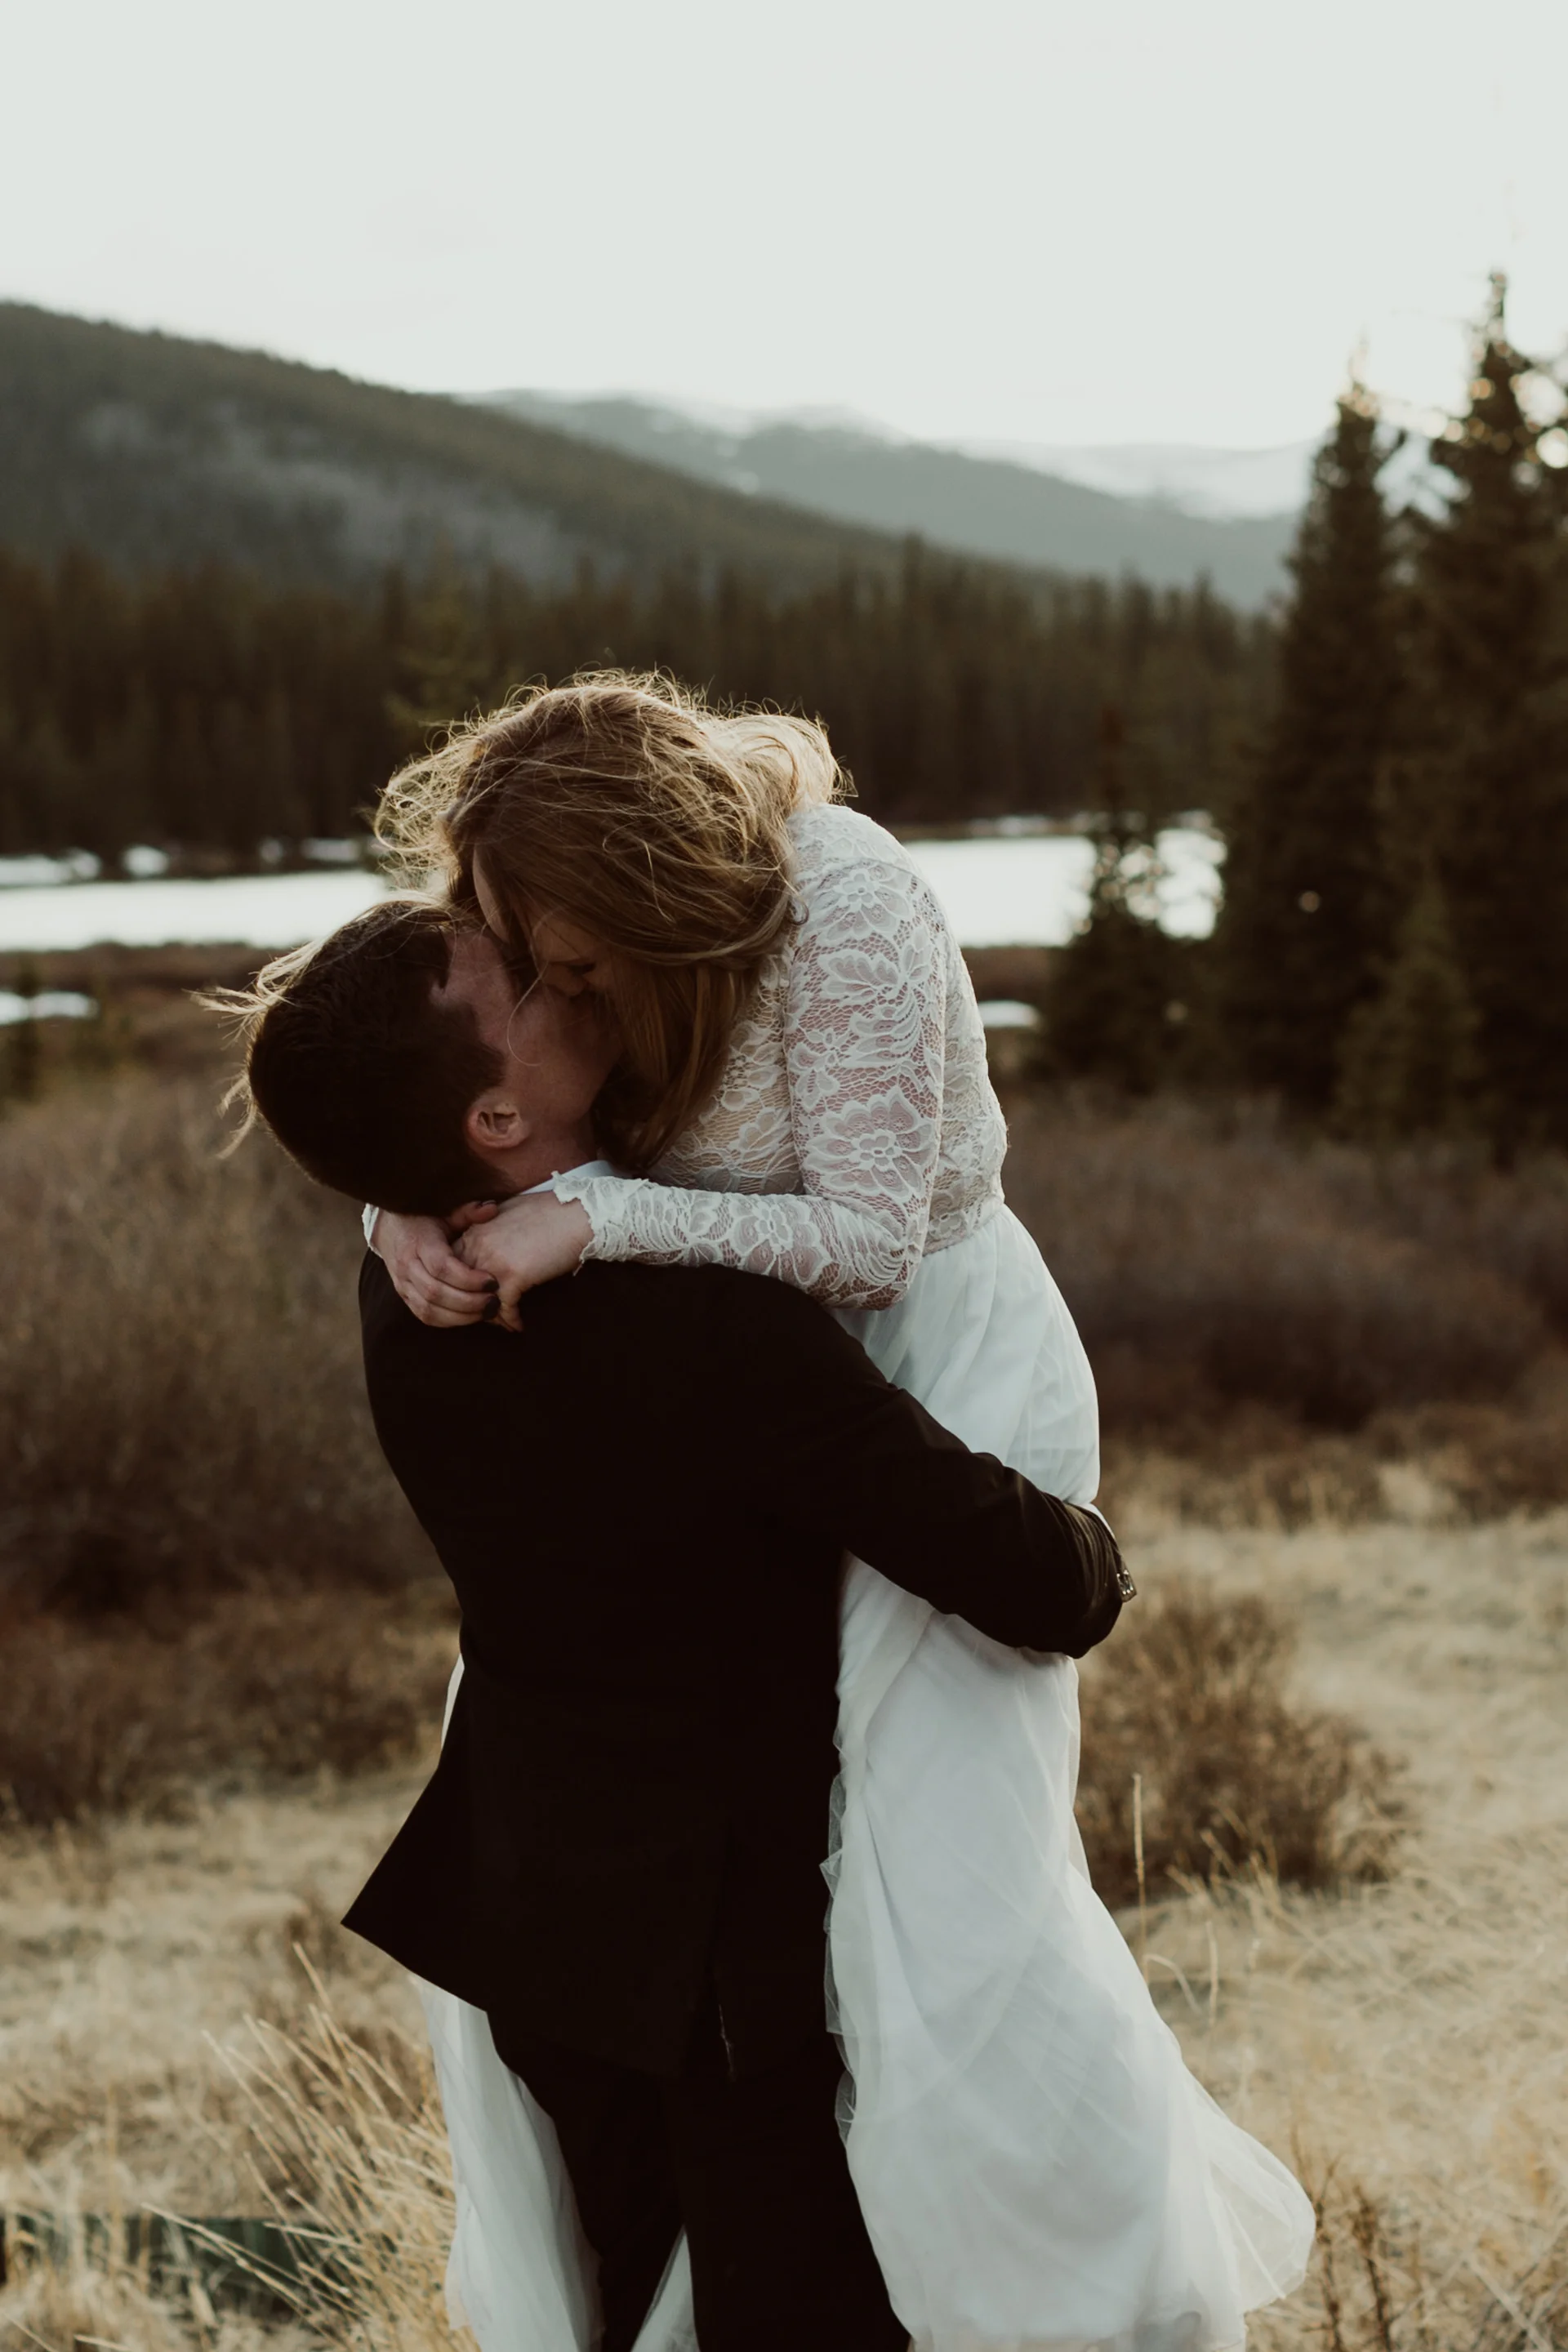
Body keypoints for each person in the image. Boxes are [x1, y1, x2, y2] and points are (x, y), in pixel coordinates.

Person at [354, 675, 1313, 2347]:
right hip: (728, 1374)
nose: (554, 988)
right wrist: (396, 1205)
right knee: (758, 1830)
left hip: (924, 1355)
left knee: (939, 1875)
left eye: (572, 963)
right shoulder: (541, 949)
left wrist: (597, 1220)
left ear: (650, 882)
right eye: (531, 960)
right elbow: (442, 1072)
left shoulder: (846, 894)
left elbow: (869, 1243)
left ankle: (1035, 2289)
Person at [228, 896, 1134, 2352]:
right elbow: (1039, 1586)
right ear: (496, 1115)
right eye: (522, 979)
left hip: (538, 1915)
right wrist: (1099, 1552)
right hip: (723, 1970)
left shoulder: (406, 1289)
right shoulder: (703, 1324)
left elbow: (417, 1160)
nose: (560, 965)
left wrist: (392, 1204)